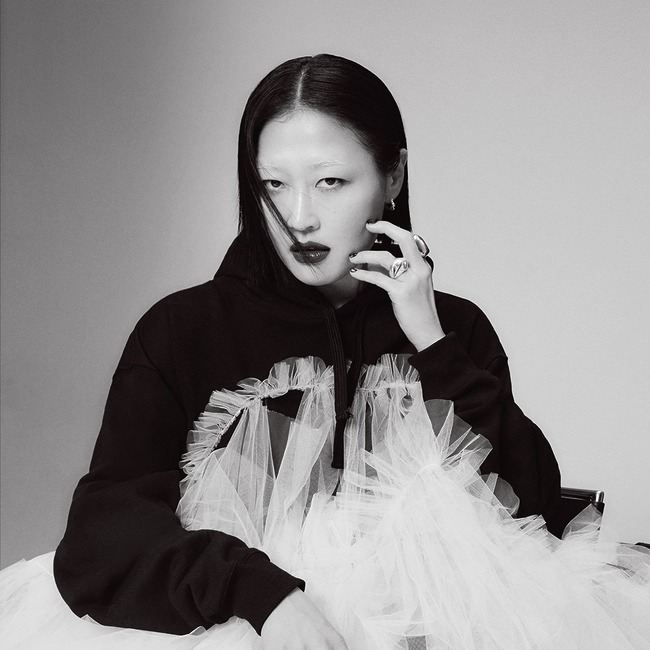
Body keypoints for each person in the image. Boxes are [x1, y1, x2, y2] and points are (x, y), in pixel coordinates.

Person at [1, 53, 648, 649]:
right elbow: (102, 534)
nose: (299, 216)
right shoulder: (183, 329)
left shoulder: (454, 329)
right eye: (274, 185)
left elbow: (533, 510)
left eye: (331, 181)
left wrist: (431, 341)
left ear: (393, 176)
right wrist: (264, 596)